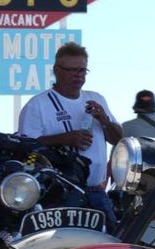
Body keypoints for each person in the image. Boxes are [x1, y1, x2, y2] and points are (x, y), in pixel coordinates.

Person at [16, 42, 122, 220]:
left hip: (96, 190)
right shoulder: (38, 105)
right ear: (56, 70)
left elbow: (118, 139)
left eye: (82, 70)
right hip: (60, 193)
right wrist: (65, 139)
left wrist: (104, 120)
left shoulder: (96, 98)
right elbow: (24, 148)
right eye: (72, 70)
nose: (78, 75)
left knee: (110, 234)